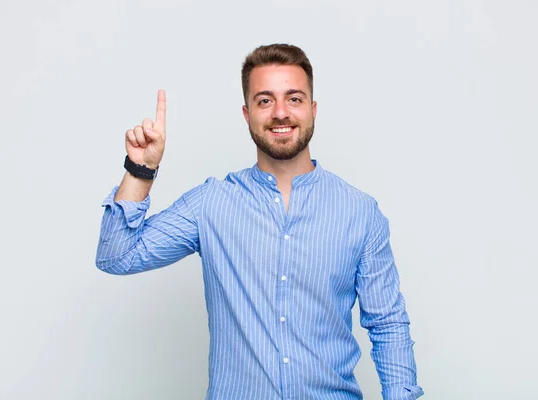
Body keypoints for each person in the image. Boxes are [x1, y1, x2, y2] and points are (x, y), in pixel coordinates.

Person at [96, 43, 423, 400]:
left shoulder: (360, 213)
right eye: (265, 100)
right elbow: (117, 257)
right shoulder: (211, 204)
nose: (280, 112)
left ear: (313, 110)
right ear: (247, 113)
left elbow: (388, 325)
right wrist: (141, 170)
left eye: (294, 99)